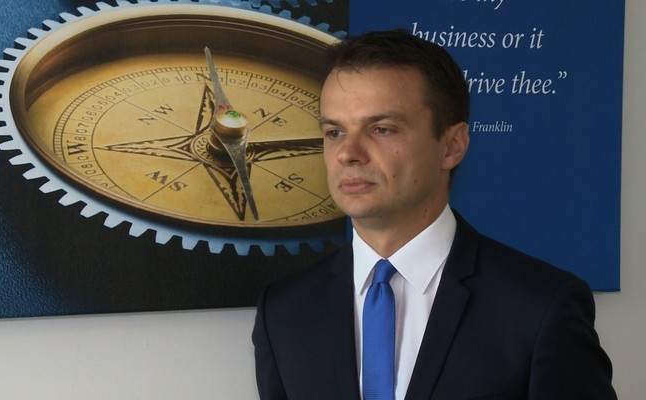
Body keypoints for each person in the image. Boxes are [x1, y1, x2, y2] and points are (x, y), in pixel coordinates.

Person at [252, 30, 616, 400]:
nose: (348, 153)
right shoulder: (283, 312)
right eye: (334, 131)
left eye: (381, 129)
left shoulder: (540, 308)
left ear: (452, 146)